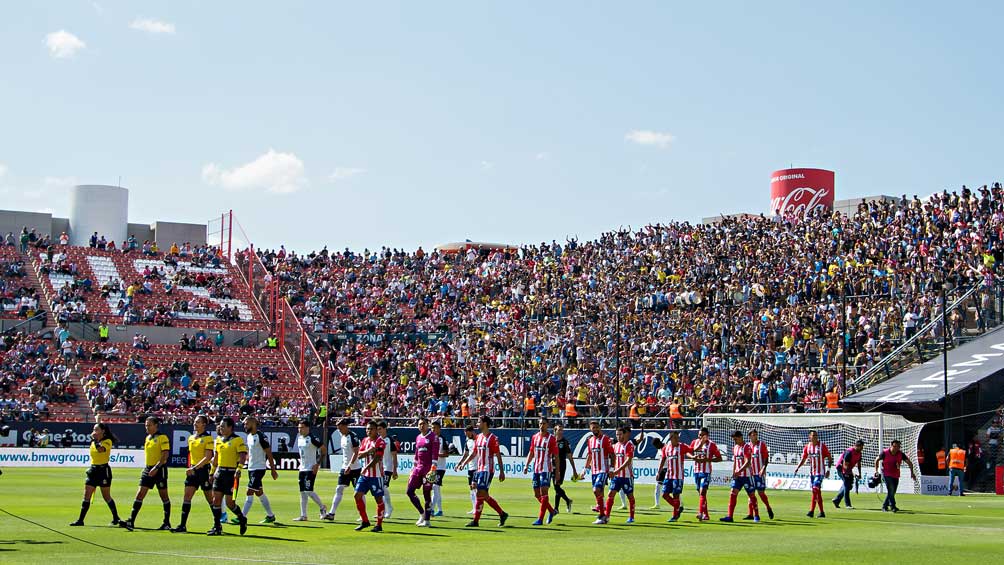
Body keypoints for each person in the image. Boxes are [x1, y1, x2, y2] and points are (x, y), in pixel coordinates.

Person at [120, 417, 172, 531]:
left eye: (149, 425)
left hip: (159, 469)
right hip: (148, 469)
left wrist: (156, 467)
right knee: (139, 494)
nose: (146, 427)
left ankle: (167, 522)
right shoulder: (148, 438)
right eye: (146, 425)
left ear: (156, 425)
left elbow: (165, 455)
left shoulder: (162, 438)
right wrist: (149, 467)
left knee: (164, 496)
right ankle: (131, 521)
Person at [457, 415, 509, 528]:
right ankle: (501, 514)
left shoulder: (493, 438)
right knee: (482, 495)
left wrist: (501, 471)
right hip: (479, 469)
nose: (477, 424)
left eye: (479, 422)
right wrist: (464, 463)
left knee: (481, 493)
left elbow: (498, 455)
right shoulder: (479, 437)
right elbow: (474, 453)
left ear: (485, 423)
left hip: (487, 470)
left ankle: (476, 520)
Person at [70, 423, 122, 526]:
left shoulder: (107, 441)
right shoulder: (94, 442)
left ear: (103, 431)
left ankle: (116, 517)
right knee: (86, 495)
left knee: (106, 496)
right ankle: (80, 520)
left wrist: (94, 440)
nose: (94, 431)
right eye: (94, 429)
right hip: (93, 470)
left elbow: (101, 450)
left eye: (97, 429)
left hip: (103, 471)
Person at [171, 415, 215, 533]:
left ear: (204, 424)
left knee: (210, 499)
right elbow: (191, 455)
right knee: (187, 497)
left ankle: (217, 525)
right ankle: (182, 525)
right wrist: (191, 467)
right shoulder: (191, 438)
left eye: (198, 422)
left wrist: (194, 468)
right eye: (195, 422)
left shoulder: (208, 438)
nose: (195, 424)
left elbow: (208, 457)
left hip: (203, 471)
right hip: (193, 470)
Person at [208, 417, 248, 536]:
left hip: (231, 474)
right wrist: (211, 472)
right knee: (216, 501)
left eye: (223, 426)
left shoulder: (238, 440)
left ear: (230, 427)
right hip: (220, 473)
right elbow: (216, 458)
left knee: (230, 503)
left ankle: (242, 518)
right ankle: (217, 526)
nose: (221, 428)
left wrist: (239, 469)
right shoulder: (219, 440)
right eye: (220, 426)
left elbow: (242, 456)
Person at [347, 421, 386, 532]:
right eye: (367, 429)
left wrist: (366, 467)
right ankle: (365, 521)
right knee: (356, 495)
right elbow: (359, 455)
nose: (368, 431)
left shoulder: (380, 442)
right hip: (365, 475)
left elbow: (378, 458)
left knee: (378, 500)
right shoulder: (365, 440)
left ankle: (379, 524)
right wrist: (369, 451)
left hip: (376, 476)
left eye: (371, 429)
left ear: (376, 430)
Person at [239, 416, 278, 524]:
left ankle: (242, 517)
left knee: (249, 491)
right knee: (259, 492)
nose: (244, 426)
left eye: (246, 424)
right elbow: (250, 452)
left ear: (253, 423)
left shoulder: (261, 436)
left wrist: (273, 470)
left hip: (259, 468)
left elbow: (269, 453)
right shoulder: (249, 436)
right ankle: (270, 515)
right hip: (251, 468)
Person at [522, 417, 558, 526]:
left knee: (544, 493)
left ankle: (540, 519)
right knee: (537, 494)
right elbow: (531, 452)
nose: (541, 425)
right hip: (536, 469)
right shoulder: (535, 437)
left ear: (547, 425)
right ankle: (552, 511)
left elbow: (556, 456)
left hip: (546, 469)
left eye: (544, 423)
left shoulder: (551, 439)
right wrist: (526, 465)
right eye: (540, 423)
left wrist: (557, 472)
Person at [323, 418, 361, 521]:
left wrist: (350, 465)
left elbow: (356, 452)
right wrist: (346, 465)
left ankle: (362, 514)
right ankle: (332, 513)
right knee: (339, 488)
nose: (338, 430)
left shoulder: (353, 437)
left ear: (345, 426)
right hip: (344, 467)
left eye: (340, 428)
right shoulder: (342, 436)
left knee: (358, 492)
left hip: (355, 468)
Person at [405, 417, 438, 526]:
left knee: (426, 494)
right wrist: (412, 469)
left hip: (428, 469)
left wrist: (433, 469)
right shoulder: (418, 437)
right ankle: (422, 513)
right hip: (418, 468)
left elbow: (435, 454)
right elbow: (416, 454)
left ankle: (427, 520)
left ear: (428, 425)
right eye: (419, 424)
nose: (421, 426)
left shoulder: (433, 437)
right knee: (409, 491)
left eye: (423, 424)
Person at [293, 420, 328, 521]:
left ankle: (322, 507)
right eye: (299, 427)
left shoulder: (313, 438)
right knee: (303, 492)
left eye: (302, 427)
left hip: (310, 468)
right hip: (302, 468)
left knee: (308, 490)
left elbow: (324, 450)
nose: (300, 429)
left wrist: (317, 464)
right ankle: (303, 515)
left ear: (308, 428)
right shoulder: (299, 438)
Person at [720, 430, 758, 523]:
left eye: (735, 439)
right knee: (733, 493)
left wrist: (739, 471)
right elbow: (735, 462)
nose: (734, 441)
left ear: (740, 437)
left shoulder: (746, 447)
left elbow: (747, 461)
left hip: (747, 476)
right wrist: (734, 472)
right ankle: (730, 516)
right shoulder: (735, 447)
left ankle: (756, 515)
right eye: (733, 439)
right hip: (738, 477)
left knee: (751, 495)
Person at [794, 430, 832, 518]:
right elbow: (804, 459)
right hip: (812, 473)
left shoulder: (822, 446)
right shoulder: (807, 447)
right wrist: (798, 467)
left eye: (816, 435)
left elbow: (830, 458)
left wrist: (828, 470)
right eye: (813, 435)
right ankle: (822, 512)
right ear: (809, 437)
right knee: (817, 492)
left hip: (820, 472)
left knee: (815, 489)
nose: (815, 437)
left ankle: (811, 511)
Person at [583, 420, 614, 525]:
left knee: (596, 490)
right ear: (590, 429)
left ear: (600, 428)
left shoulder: (605, 439)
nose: (595, 429)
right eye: (593, 428)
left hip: (603, 470)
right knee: (598, 493)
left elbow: (612, 454)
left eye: (597, 427)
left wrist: (611, 469)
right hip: (594, 470)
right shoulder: (590, 440)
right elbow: (590, 455)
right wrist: (585, 469)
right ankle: (604, 515)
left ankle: (601, 515)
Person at [657, 430, 691, 522]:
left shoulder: (682, 446)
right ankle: (678, 507)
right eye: (675, 437)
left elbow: (691, 450)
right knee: (664, 495)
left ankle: (675, 516)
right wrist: (659, 472)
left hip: (678, 476)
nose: (677, 439)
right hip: (669, 476)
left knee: (676, 495)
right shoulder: (666, 448)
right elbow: (663, 459)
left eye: (678, 437)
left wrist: (693, 456)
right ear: (671, 438)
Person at [690, 427, 722, 520]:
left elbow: (719, 458)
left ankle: (700, 513)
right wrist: (693, 457)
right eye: (699, 434)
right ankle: (706, 515)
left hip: (706, 472)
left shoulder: (712, 445)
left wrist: (707, 459)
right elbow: (689, 452)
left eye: (703, 435)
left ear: (707, 436)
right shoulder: (695, 442)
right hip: (696, 471)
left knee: (702, 492)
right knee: (701, 494)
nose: (701, 436)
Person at [876, 439, 917, 512]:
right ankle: (893, 506)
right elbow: (876, 460)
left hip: (896, 475)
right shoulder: (885, 453)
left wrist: (912, 473)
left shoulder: (900, 454)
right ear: (891, 446)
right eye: (895, 446)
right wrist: (876, 471)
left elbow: (910, 463)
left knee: (892, 492)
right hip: (887, 474)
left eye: (898, 446)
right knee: (891, 489)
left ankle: (885, 506)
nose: (897, 448)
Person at [747, 430, 774, 519]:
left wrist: (763, 468)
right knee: (751, 494)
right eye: (753, 435)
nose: (755, 436)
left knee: (761, 493)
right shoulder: (747, 446)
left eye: (756, 435)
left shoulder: (761, 445)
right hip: (750, 474)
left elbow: (766, 458)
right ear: (749, 436)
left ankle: (768, 507)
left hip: (759, 473)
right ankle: (751, 514)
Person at [832, 439, 865, 509]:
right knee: (847, 485)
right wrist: (851, 473)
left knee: (848, 486)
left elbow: (859, 464)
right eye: (861, 447)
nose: (862, 449)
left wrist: (859, 473)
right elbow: (845, 465)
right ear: (857, 446)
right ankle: (848, 504)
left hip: (848, 468)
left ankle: (836, 500)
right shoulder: (849, 452)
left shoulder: (859, 453)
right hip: (841, 468)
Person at [552, 423, 577, 514]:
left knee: (557, 486)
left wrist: (574, 470)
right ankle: (567, 500)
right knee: (556, 487)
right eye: (559, 430)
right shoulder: (551, 441)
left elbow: (569, 456)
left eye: (562, 430)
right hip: (551, 466)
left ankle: (556, 508)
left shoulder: (565, 442)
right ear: (555, 431)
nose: (561, 432)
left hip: (561, 465)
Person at [376, 421, 398, 519]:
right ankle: (384, 510)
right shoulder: (378, 440)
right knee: (381, 489)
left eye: (380, 429)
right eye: (377, 429)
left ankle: (388, 509)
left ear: (385, 429)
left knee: (383, 488)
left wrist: (394, 470)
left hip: (388, 468)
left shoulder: (389, 440)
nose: (378, 431)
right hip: (380, 468)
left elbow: (394, 455)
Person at [430, 420, 449, 517]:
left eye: (435, 428)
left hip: (440, 467)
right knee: (436, 489)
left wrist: (435, 455)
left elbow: (446, 454)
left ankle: (431, 509)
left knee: (435, 487)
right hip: (433, 467)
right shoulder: (430, 439)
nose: (433, 430)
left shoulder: (442, 439)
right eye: (432, 428)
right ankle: (440, 510)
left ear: (439, 429)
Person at [462, 425, 478, 514]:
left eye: (468, 434)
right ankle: (474, 507)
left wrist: (464, 463)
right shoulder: (467, 441)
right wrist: (459, 464)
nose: (467, 436)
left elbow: (473, 454)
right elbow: (466, 454)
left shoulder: (478, 440)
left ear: (472, 432)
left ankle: (477, 508)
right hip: (471, 467)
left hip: (478, 467)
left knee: (475, 487)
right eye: (466, 434)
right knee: (471, 488)